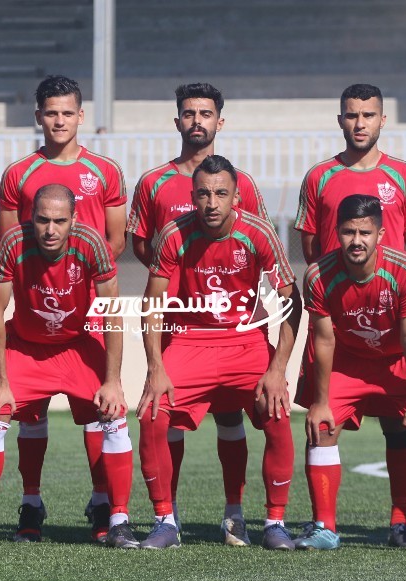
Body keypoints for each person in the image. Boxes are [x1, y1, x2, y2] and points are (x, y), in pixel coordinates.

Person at [125, 82, 271, 544]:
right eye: (189, 113)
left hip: (231, 326)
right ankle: (168, 518)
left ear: (219, 122)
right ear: (177, 121)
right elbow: (142, 244)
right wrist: (175, 278)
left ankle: (234, 514)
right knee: (165, 415)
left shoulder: (241, 183)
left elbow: (256, 242)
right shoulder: (153, 182)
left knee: (230, 417)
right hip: (177, 323)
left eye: (205, 114)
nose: (197, 121)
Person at [0, 184, 137, 549]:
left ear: (74, 220)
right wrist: (0, 380)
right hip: (26, 346)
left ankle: (118, 520)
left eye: (59, 221)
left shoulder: (93, 244)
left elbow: (112, 314)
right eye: (42, 220)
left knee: (113, 413)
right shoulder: (12, 243)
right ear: (31, 218)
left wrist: (113, 380)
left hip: (78, 344)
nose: (50, 229)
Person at [293, 83, 406, 547]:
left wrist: (388, 293)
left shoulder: (405, 176)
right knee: (321, 424)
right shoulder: (319, 177)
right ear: (341, 120)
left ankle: (403, 522)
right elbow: (311, 249)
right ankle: (324, 527)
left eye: (368, 115)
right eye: (352, 115)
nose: (360, 123)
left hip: (395, 323)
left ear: (382, 120)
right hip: (342, 326)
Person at [138, 155, 301, 550]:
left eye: (221, 193)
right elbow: (152, 304)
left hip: (245, 341)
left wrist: (277, 369)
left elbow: (291, 302)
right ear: (193, 196)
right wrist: (155, 367)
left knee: (277, 412)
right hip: (190, 340)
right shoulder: (174, 233)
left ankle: (274, 523)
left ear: (236, 197)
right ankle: (165, 521)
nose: (212, 203)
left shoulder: (258, 232)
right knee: (152, 413)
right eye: (204, 194)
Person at [0, 75, 128, 541]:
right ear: (38, 116)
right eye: (51, 112)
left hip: (87, 310)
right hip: (35, 312)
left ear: (80, 116)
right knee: (29, 415)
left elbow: (115, 240)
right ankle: (31, 502)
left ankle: (102, 501)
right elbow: (11, 243)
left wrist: (81, 280)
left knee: (97, 410)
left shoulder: (105, 171)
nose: (59, 120)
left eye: (67, 112)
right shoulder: (18, 174)